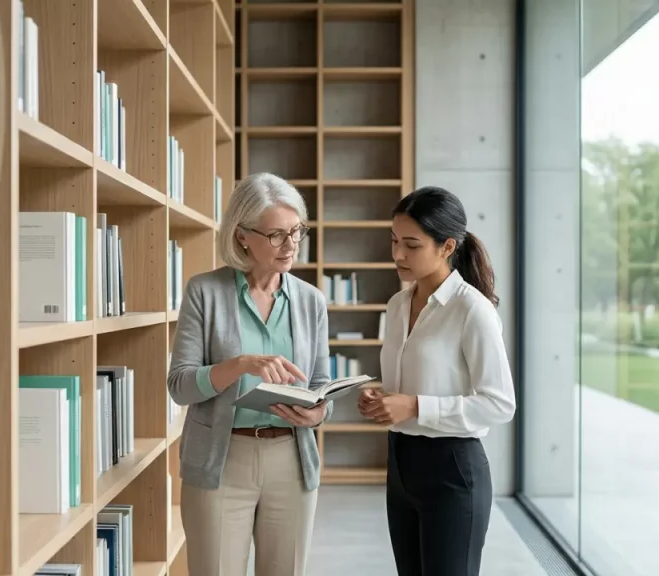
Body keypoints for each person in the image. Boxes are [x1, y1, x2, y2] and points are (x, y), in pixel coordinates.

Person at [167, 172, 332, 576]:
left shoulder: (311, 301)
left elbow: (321, 385)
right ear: (242, 235)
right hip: (221, 461)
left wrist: (318, 413)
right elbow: (180, 386)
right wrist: (240, 365)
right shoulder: (204, 292)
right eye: (276, 235)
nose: (290, 245)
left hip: (291, 460)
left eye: (296, 231)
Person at [358, 186, 516, 576]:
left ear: (447, 247)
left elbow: (500, 404)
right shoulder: (397, 305)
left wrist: (414, 406)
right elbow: (418, 380)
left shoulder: (472, 310)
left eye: (411, 245)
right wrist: (382, 399)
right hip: (400, 464)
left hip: (452, 470)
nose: (398, 254)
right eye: (394, 241)